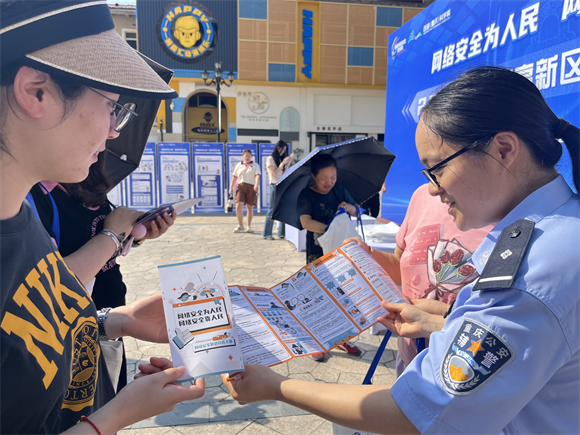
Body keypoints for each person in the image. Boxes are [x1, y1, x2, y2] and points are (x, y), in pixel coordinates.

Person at [220, 66, 580, 435]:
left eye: (435, 168)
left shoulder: (529, 271)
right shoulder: (555, 227)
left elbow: (417, 412)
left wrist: (276, 386)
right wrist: (443, 320)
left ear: (503, 150)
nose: (434, 190)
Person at [0, 1, 204, 434]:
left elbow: (29, 332)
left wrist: (114, 320)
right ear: (36, 91)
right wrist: (116, 416)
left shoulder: (22, 218)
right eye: (113, 106)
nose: (115, 130)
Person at [29, 151, 177, 391]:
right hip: (64, 330)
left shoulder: (89, 182)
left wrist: (135, 235)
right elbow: (49, 287)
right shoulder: (35, 194)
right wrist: (113, 233)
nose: (111, 130)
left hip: (106, 319)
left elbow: (93, 237)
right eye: (108, 113)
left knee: (107, 397)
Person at [349, 183, 493, 375]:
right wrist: (367, 254)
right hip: (410, 358)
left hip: (464, 373)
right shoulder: (422, 196)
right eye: (428, 169)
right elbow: (400, 267)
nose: (433, 188)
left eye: (441, 165)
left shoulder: (515, 215)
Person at [297, 153, 362, 360]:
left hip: (340, 252)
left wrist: (349, 207)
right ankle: (316, 341)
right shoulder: (306, 195)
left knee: (341, 295)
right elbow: (306, 222)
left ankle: (341, 338)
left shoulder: (339, 190)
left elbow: (358, 211)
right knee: (318, 296)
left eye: (333, 177)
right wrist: (330, 229)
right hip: (318, 253)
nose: (329, 182)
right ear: (314, 176)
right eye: (324, 178)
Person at [262, 140, 293, 240]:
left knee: (283, 209)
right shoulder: (270, 159)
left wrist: (287, 164)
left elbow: (284, 174)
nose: (283, 151)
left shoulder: (281, 159)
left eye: (285, 149)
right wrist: (282, 163)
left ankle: (281, 233)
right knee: (272, 210)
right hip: (274, 185)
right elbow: (275, 174)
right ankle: (267, 234)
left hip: (283, 185)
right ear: (277, 147)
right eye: (282, 149)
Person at [229, 149, 261, 233]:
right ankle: (240, 225)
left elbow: (257, 175)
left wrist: (256, 184)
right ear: (243, 156)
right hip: (240, 187)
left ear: (251, 157)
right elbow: (234, 177)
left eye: (249, 156)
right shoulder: (239, 165)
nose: (247, 157)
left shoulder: (255, 165)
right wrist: (230, 187)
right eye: (246, 156)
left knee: (249, 207)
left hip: (251, 187)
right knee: (238, 206)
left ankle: (248, 226)